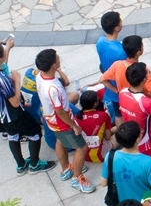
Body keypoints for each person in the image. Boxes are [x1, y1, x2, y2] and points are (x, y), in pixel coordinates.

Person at [35, 48, 95, 193]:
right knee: (81, 147)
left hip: (51, 120)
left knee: (60, 141)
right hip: (62, 123)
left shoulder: (40, 75)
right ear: (53, 65)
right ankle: (77, 178)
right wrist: (74, 126)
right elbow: (60, 111)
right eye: (56, 58)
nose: (59, 58)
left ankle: (66, 168)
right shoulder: (53, 88)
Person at [0, 60, 57, 176]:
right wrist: (17, 80)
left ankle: (21, 165)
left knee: (13, 136)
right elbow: (15, 102)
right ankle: (35, 165)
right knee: (35, 133)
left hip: (3, 115)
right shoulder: (2, 79)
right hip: (14, 115)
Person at [120, 61, 151, 177]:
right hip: (147, 142)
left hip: (132, 138)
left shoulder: (122, 93)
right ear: (143, 80)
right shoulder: (146, 102)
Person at [99, 121, 151, 201]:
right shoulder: (147, 162)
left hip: (123, 202)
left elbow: (104, 183)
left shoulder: (110, 156)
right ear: (137, 140)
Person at [100, 35, 151, 103]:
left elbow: (102, 80)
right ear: (138, 53)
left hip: (125, 103)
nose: (143, 47)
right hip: (141, 106)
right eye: (142, 45)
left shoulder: (117, 65)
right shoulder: (144, 71)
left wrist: (118, 91)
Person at [96, 12, 127, 120]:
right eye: (121, 20)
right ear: (117, 28)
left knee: (118, 115)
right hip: (120, 88)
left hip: (109, 87)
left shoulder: (100, 41)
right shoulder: (121, 51)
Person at [75, 89, 114, 163]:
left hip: (83, 154)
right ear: (95, 104)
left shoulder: (76, 117)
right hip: (101, 154)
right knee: (120, 131)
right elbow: (108, 137)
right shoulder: (103, 115)